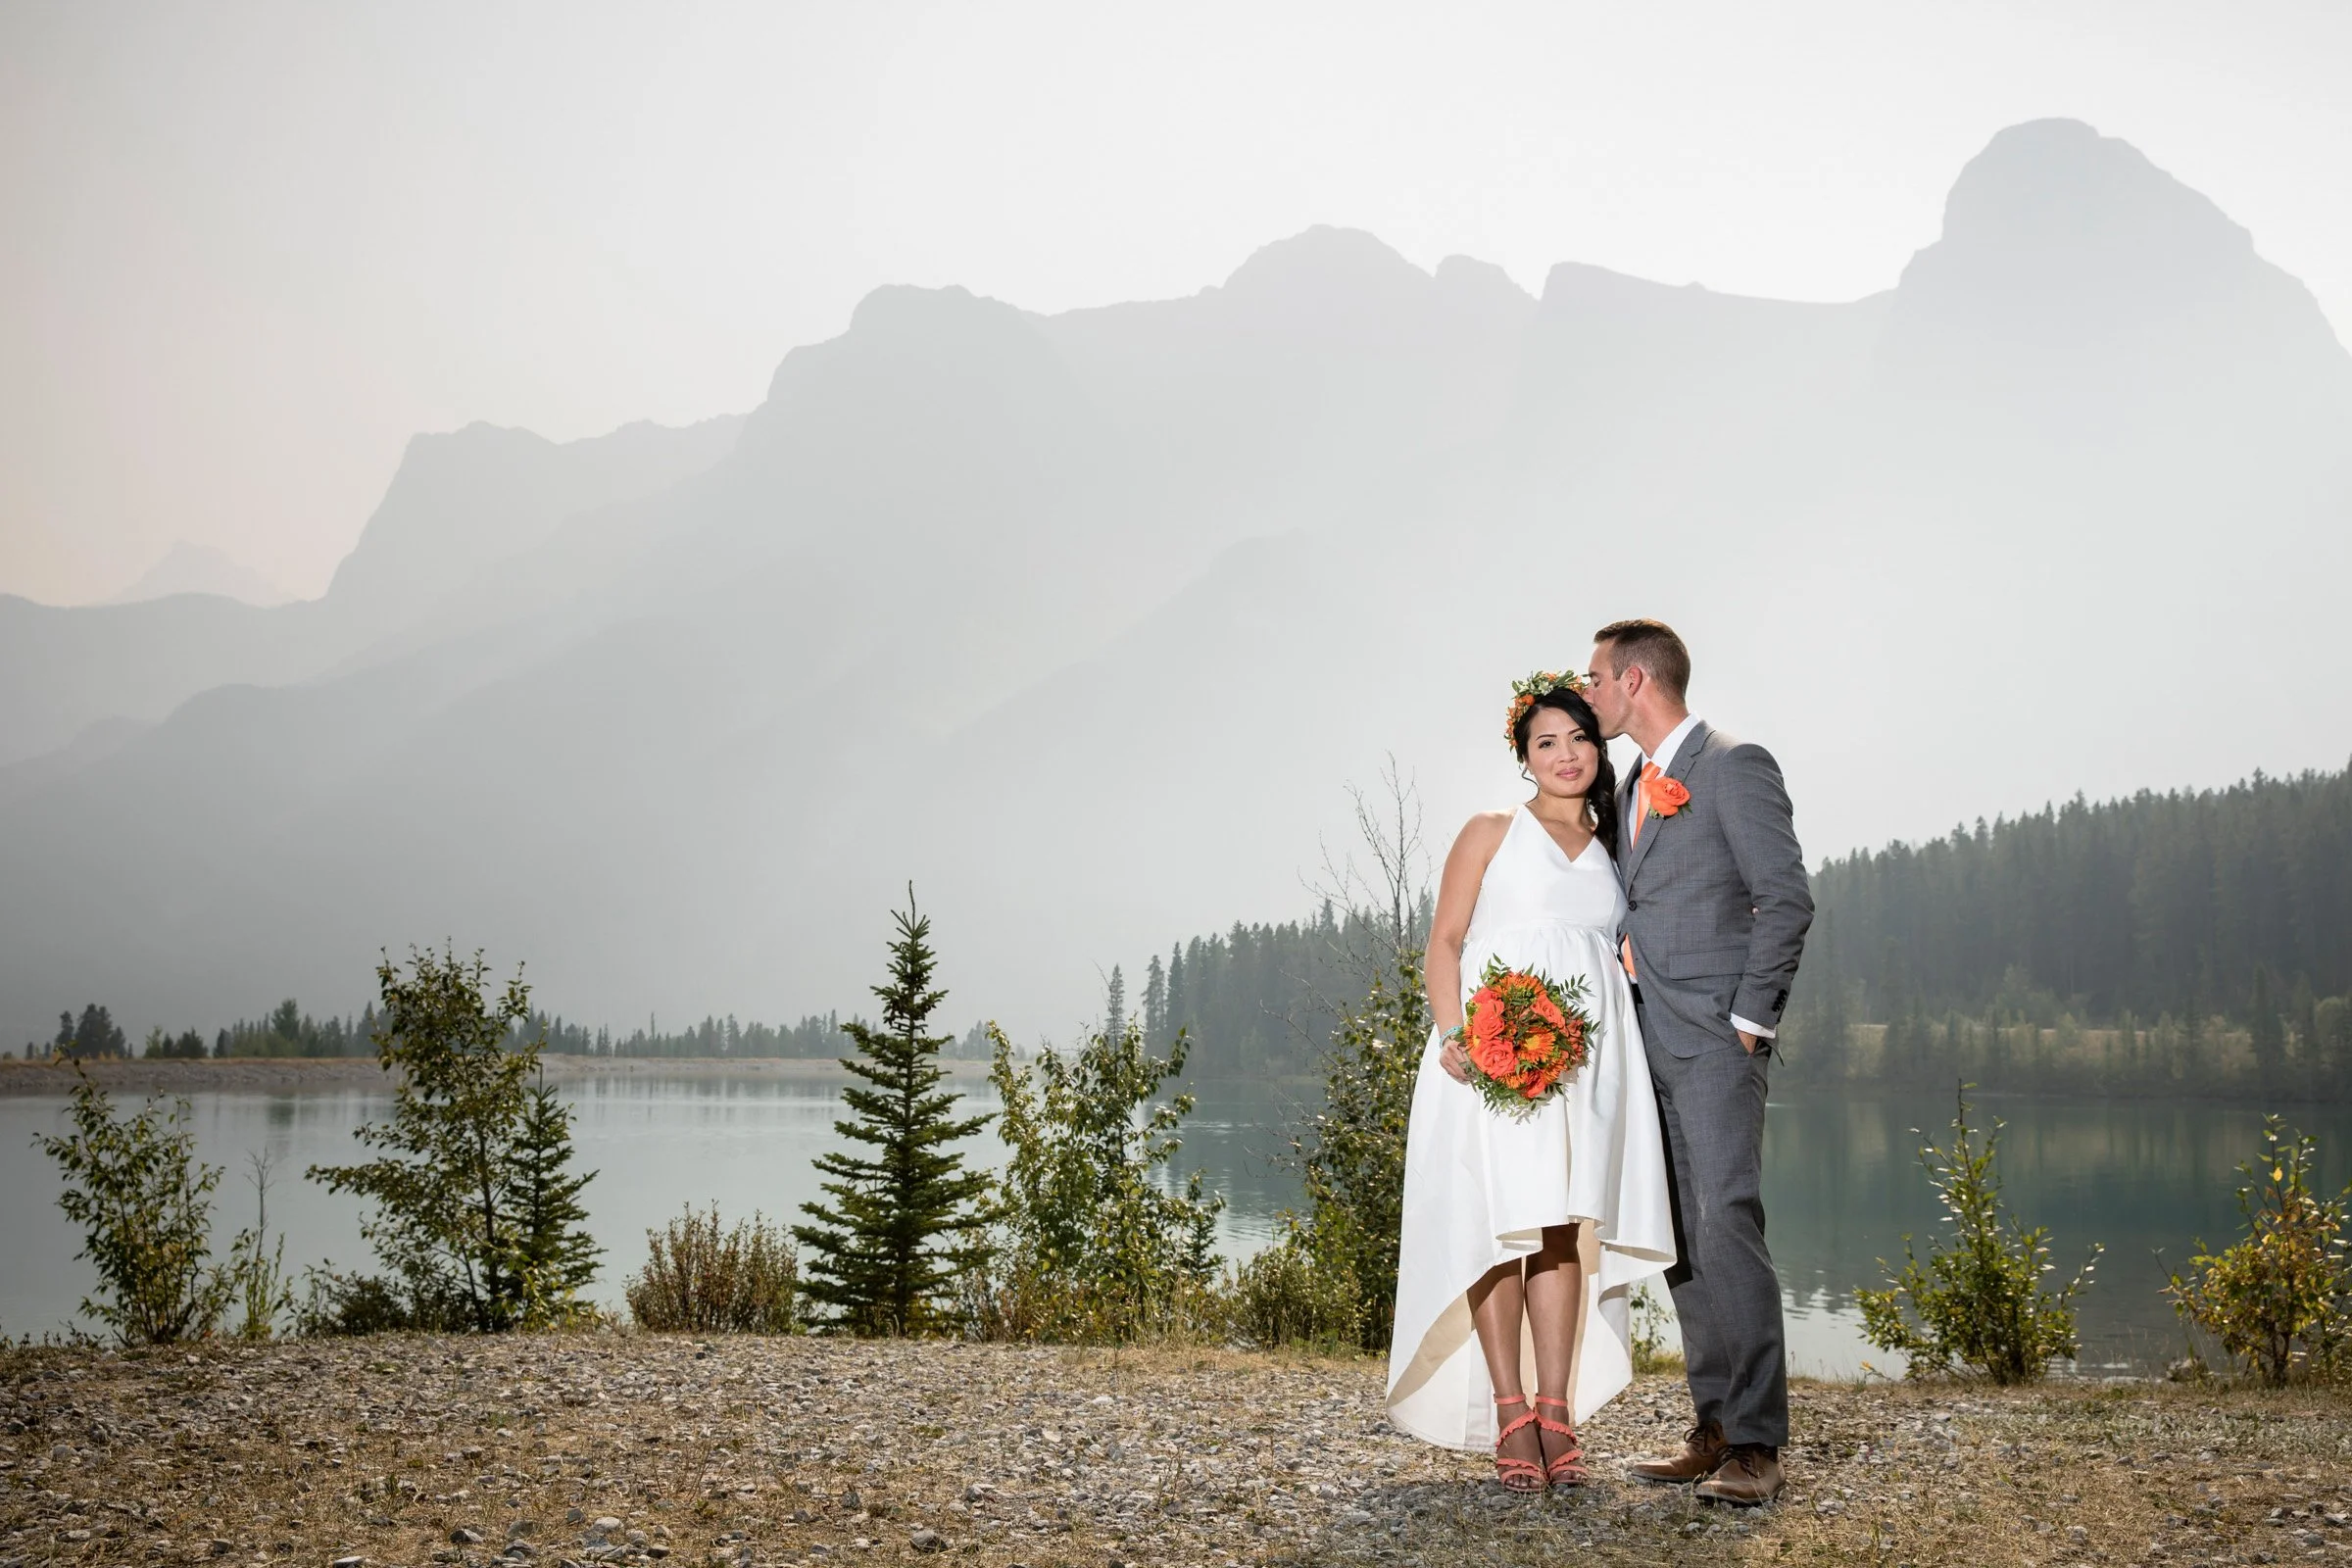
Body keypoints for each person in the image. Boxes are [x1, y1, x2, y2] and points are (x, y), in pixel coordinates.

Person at [1387, 672, 1675, 1493]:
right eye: (1545, 742)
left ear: (1599, 746)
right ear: (1525, 756)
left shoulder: (1621, 841)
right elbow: (1444, 944)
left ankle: (1558, 1410)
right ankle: (1510, 1413)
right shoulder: (1490, 830)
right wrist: (1454, 1035)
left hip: (1580, 1063)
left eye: (1579, 738)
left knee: (1558, 1228)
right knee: (1494, 1224)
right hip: (1486, 1056)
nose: (1565, 754)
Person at [1582, 618, 1813, 1506]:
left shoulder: (1733, 764)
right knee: (1679, 1239)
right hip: (1644, 1048)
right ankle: (1713, 1427)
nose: (1589, 692)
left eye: (1596, 678)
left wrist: (1749, 1023)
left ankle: (1757, 1442)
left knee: (1726, 1223)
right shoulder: (1634, 781)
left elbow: (1784, 898)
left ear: (1635, 680)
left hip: (1715, 1045)